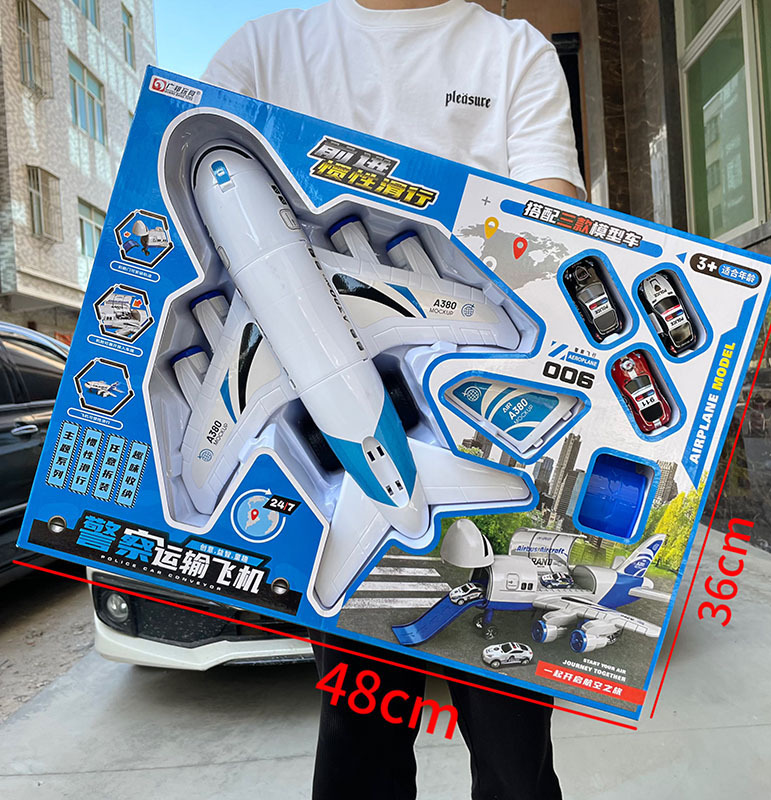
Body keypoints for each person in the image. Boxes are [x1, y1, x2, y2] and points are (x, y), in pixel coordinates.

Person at [203, 2, 584, 798]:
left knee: (515, 755)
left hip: (471, 435)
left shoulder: (514, 51)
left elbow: (551, 239)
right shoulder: (262, 50)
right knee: (359, 751)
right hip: (335, 479)